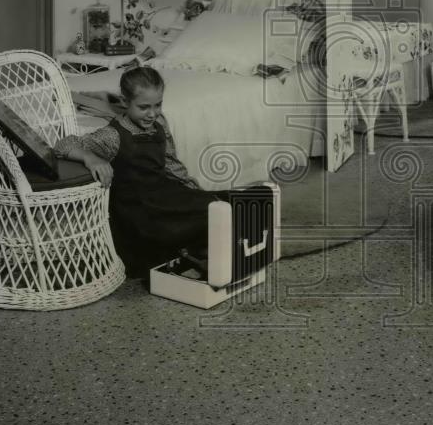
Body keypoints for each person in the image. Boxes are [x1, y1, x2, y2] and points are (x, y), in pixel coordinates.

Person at [54, 66, 272, 274]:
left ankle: (233, 243)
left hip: (163, 194)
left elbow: (171, 164)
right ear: (124, 102)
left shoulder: (159, 125)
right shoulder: (113, 135)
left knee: (219, 201)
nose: (152, 114)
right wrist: (90, 158)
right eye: (144, 107)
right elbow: (62, 145)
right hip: (140, 210)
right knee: (210, 211)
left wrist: (194, 191)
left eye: (157, 105)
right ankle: (206, 246)